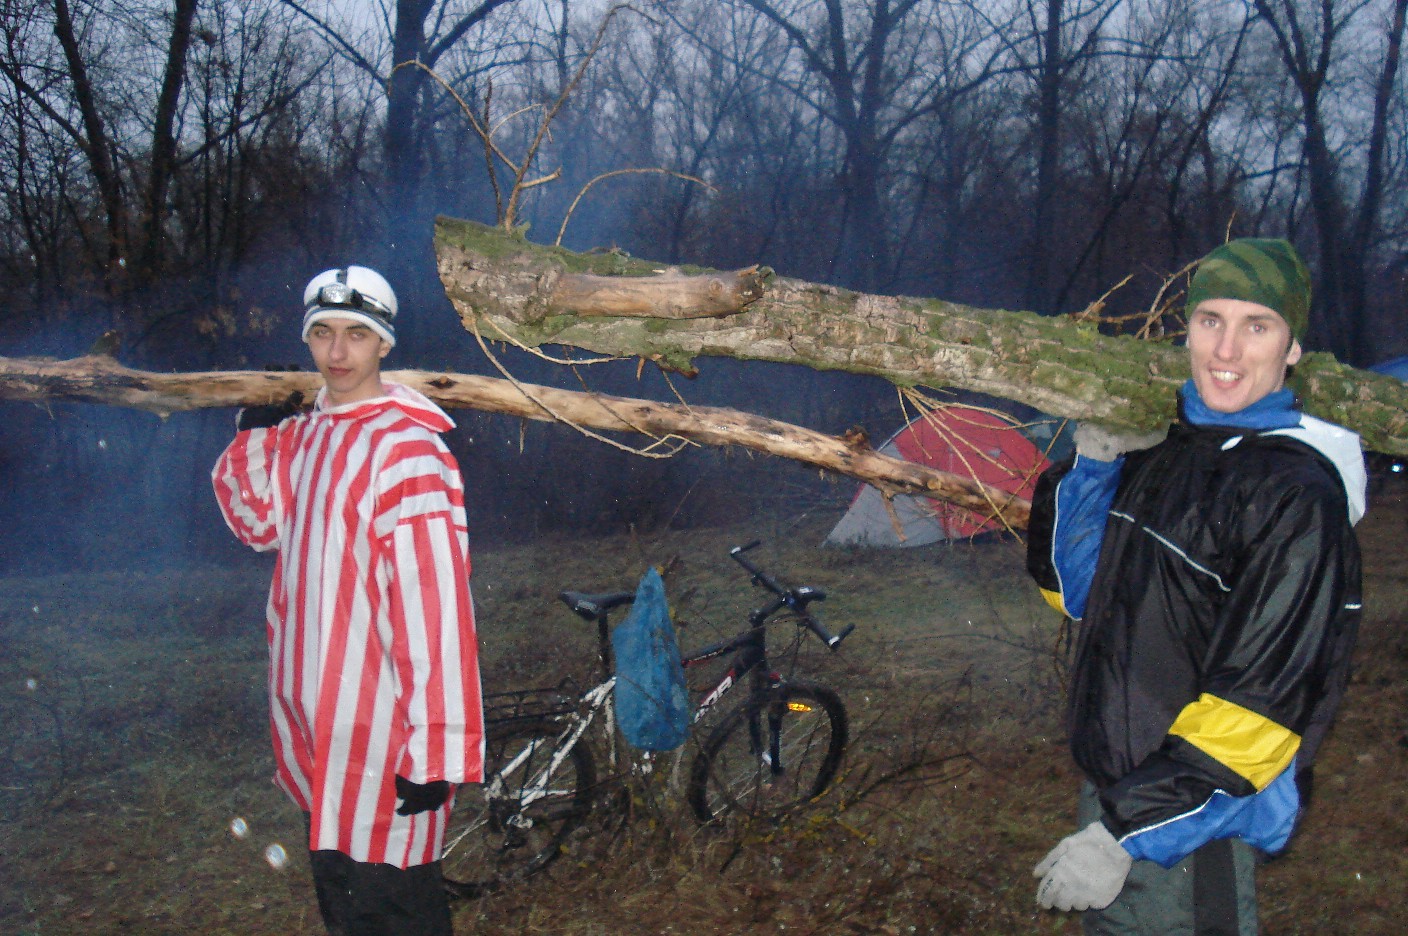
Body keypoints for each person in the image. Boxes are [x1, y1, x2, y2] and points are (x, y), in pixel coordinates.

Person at [1026, 238, 1366, 934]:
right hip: (1121, 798)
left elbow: (1257, 714)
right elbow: (1079, 595)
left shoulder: (1295, 498)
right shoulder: (1168, 452)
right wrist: (1094, 468)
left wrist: (1123, 834)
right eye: (1211, 320)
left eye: (1257, 326)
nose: (1226, 350)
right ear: (1187, 332)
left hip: (1192, 831)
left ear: (1293, 348)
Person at [212, 265, 484, 936]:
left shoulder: (409, 452)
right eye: (323, 333)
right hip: (314, 723)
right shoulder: (304, 437)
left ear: (384, 343)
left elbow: (435, 613)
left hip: (382, 731)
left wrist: (437, 750)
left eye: (356, 335)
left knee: (397, 908)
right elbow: (256, 524)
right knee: (343, 902)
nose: (337, 353)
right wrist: (255, 432)